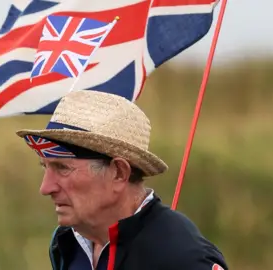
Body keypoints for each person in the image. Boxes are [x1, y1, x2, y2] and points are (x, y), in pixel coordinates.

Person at [16, 90, 228, 270]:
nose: (45, 188)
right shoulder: (67, 242)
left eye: (62, 168)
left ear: (119, 173)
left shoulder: (184, 258)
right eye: (45, 167)